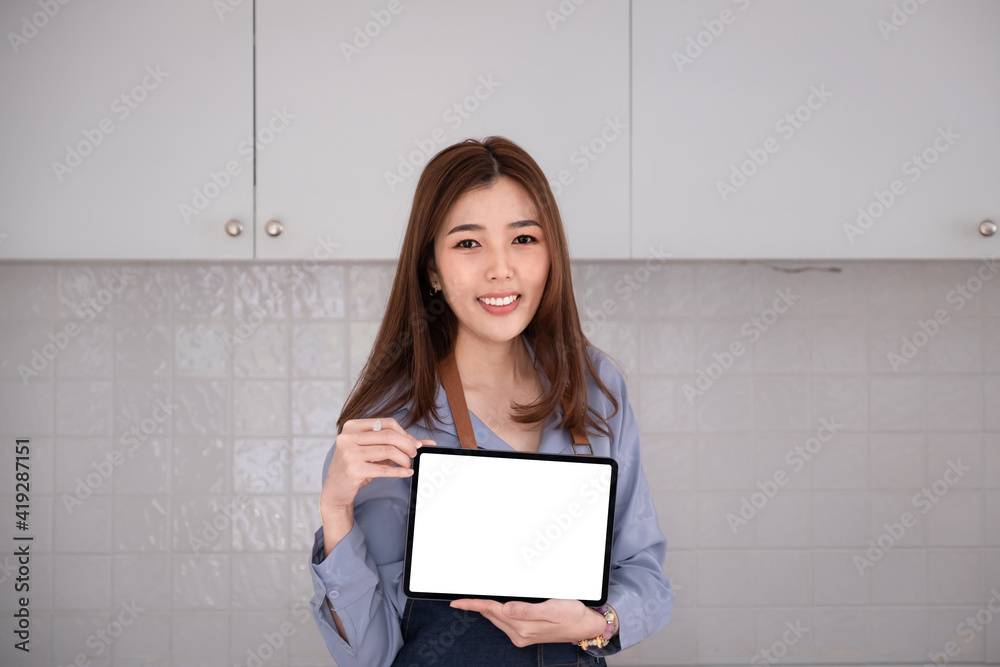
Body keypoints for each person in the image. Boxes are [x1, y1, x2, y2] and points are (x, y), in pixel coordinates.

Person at [308, 136, 672, 666]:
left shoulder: (596, 387)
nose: (501, 269)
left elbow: (646, 576)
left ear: (551, 255)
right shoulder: (394, 423)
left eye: (524, 238)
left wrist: (597, 623)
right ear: (432, 269)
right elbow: (371, 654)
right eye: (468, 244)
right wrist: (335, 509)